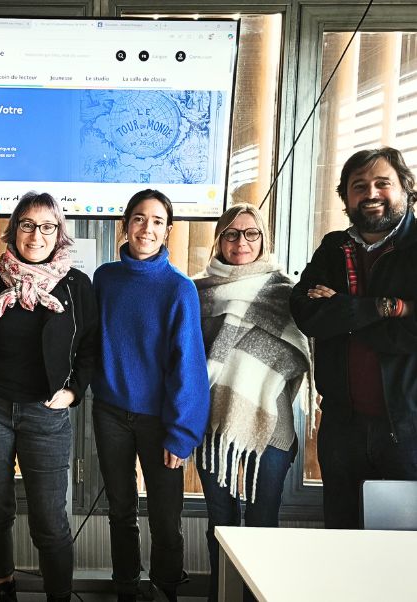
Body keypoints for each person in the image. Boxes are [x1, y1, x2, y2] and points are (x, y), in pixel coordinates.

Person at [0, 192, 98, 602]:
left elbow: (91, 345)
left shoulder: (76, 284)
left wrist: (74, 391)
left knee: (50, 518)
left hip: (45, 411)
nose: (35, 235)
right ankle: (3, 588)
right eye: (26, 224)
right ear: (14, 229)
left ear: (58, 233)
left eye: (47, 226)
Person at [91, 189, 209, 602]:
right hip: (110, 413)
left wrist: (182, 433)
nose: (147, 228)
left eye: (157, 221)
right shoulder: (104, 278)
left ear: (168, 231)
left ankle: (166, 589)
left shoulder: (180, 289)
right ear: (126, 224)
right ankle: (126, 587)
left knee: (164, 515)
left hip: (160, 420)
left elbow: (189, 366)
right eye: (139, 218)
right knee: (120, 511)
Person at [290, 146, 417, 529]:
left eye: (383, 183)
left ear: (406, 189)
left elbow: (409, 337)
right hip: (342, 427)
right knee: (341, 537)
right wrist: (391, 307)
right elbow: (308, 314)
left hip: (407, 428)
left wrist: (344, 311)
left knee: (403, 548)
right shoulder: (334, 247)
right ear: (346, 196)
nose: (371, 193)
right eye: (359, 186)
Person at [193, 204, 310, 601]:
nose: (240, 242)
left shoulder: (285, 291)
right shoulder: (199, 291)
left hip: (270, 424)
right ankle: (220, 596)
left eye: (250, 234)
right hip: (215, 424)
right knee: (220, 523)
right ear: (219, 240)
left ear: (263, 239)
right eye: (230, 233)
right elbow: (189, 356)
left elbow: (297, 353)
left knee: (262, 522)